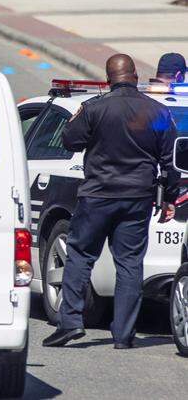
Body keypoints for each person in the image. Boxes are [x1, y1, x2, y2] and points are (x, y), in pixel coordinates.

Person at [43, 54, 179, 349]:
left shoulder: (95, 108)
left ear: (108, 79)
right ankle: (124, 335)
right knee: (130, 264)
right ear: (134, 75)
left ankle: (70, 324)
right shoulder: (157, 111)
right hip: (138, 198)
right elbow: (170, 162)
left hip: (98, 196)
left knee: (79, 255)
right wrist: (169, 199)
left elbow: (70, 140)